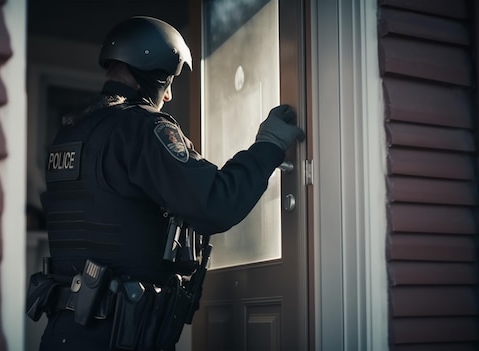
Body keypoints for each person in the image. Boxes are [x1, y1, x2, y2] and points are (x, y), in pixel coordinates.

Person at [28, 16, 305, 351]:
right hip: (117, 336)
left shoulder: (71, 132)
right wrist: (269, 146)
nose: (170, 95)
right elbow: (215, 203)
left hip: (62, 333)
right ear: (154, 73)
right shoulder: (141, 128)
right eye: (170, 81)